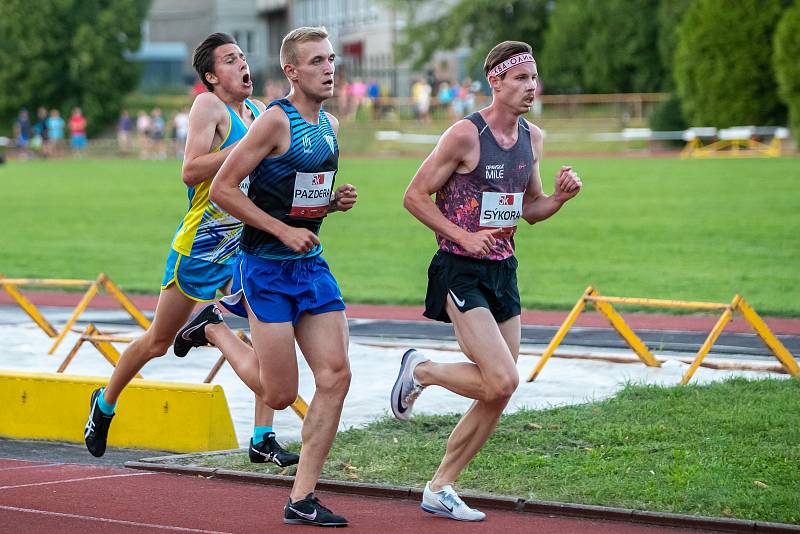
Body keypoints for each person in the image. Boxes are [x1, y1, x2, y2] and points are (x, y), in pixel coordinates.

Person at [83, 32, 299, 470]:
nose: (243, 65)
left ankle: (262, 436)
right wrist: (248, 146)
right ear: (211, 76)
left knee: (266, 332)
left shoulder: (259, 111)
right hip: (201, 245)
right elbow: (190, 170)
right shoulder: (209, 107)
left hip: (247, 244)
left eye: (243, 56)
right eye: (230, 60)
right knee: (158, 341)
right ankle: (104, 403)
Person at [395, 41, 582, 522]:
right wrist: (464, 235)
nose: (530, 87)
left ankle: (441, 486)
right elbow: (415, 196)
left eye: (534, 78)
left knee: (499, 389)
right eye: (520, 78)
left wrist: (559, 199)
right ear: (495, 81)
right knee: (502, 378)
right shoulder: (465, 135)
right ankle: (422, 371)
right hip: (460, 266)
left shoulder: (532, 138)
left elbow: (530, 209)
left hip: (503, 270)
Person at [193, 26, 357, 527]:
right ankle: (215, 329)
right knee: (280, 394)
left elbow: (299, 196)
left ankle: (301, 498)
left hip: (310, 266)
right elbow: (222, 189)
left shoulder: (328, 125)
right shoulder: (272, 121)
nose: (328, 68)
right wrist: (282, 232)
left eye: (330, 59)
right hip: (265, 267)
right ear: (291, 71)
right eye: (316, 62)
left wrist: (329, 204)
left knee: (336, 376)